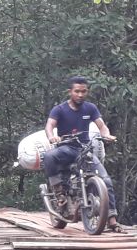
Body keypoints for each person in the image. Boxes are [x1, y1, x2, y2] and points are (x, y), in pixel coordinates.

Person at [43, 76, 121, 231]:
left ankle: (112, 220)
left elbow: (101, 125)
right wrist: (52, 136)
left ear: (87, 92)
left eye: (83, 91)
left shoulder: (90, 108)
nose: (80, 95)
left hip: (84, 149)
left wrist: (106, 135)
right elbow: (49, 126)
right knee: (49, 156)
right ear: (70, 92)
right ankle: (59, 191)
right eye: (77, 91)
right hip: (66, 148)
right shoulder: (59, 109)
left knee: (106, 181)